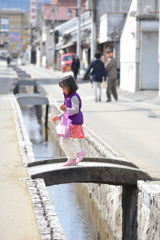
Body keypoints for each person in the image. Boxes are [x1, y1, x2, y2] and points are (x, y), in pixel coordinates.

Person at [52, 75, 86, 166]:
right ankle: (71, 158)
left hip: (74, 121)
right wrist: (59, 117)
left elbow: (75, 110)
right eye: (62, 88)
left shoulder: (74, 97)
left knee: (64, 140)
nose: (63, 90)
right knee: (62, 142)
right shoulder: (68, 96)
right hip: (69, 121)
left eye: (64, 88)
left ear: (69, 87)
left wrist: (65, 108)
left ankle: (79, 152)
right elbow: (67, 111)